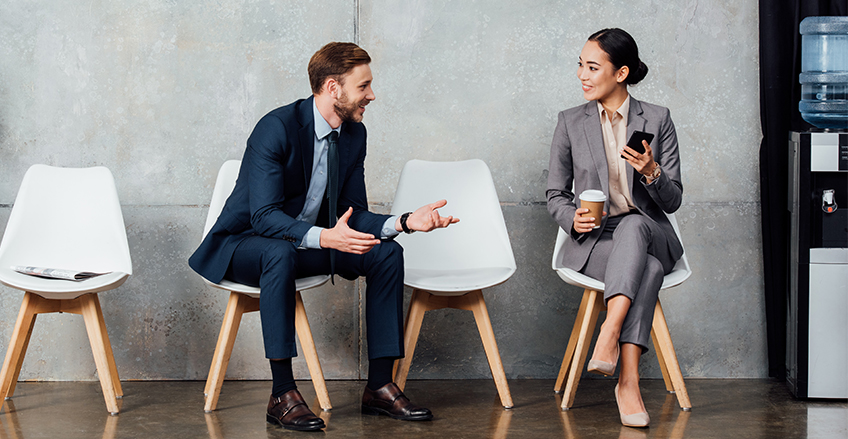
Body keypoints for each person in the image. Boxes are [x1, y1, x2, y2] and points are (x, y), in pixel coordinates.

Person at [189, 42, 458, 431]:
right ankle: (281, 394)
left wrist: (403, 222)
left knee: (386, 254)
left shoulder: (353, 135)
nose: (371, 95)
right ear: (334, 88)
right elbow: (263, 217)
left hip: (306, 243)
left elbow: (353, 213)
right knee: (278, 253)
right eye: (363, 86)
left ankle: (380, 386)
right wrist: (325, 237)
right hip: (244, 244)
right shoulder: (276, 128)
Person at [546, 28, 683, 428]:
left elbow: (672, 201)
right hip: (597, 241)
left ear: (621, 72)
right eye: (580, 65)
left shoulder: (657, 119)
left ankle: (609, 331)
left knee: (637, 226)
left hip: (650, 232)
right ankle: (628, 382)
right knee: (650, 270)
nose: (582, 75)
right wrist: (572, 217)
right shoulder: (570, 122)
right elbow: (555, 193)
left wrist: (651, 171)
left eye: (592, 67)